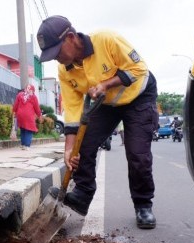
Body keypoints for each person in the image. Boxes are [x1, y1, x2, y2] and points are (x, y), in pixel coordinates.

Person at [37, 15, 159, 229]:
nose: (56, 59)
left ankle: (143, 204)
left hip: (139, 96)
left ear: (72, 38)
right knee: (82, 145)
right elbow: (73, 111)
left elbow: (139, 69)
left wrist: (106, 84)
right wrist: (69, 149)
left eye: (57, 52)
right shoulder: (64, 70)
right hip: (107, 104)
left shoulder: (107, 40)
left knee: (137, 153)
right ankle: (82, 196)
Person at [12, 84, 42, 150]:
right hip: (29, 116)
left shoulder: (20, 95)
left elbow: (15, 105)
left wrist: (14, 111)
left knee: (23, 129)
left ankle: (23, 145)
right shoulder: (33, 97)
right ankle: (27, 145)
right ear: (33, 90)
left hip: (20, 115)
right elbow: (37, 108)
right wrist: (39, 115)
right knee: (29, 130)